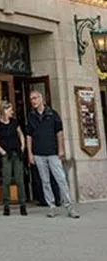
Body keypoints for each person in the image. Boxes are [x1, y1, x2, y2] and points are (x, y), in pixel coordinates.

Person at [27, 90, 80, 219]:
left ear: (41, 99)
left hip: (52, 153)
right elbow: (29, 136)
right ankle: (51, 206)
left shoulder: (53, 114)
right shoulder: (31, 116)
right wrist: (30, 153)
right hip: (39, 153)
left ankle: (70, 207)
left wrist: (61, 149)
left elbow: (59, 133)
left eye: (35, 98)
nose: (33, 101)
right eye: (31, 99)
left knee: (61, 179)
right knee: (45, 181)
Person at [0, 101, 27, 217]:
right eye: (10, 110)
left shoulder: (14, 122)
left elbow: (20, 134)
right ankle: (6, 205)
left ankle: (23, 205)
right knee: (6, 180)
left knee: (19, 180)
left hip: (17, 153)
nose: (12, 112)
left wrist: (22, 145)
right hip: (6, 154)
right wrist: (2, 151)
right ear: (4, 110)